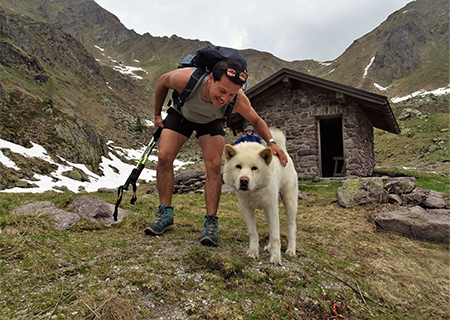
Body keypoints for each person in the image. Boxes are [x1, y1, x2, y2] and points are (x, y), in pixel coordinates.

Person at [145, 58, 288, 246]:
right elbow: (163, 81)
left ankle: (211, 222)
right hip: (181, 114)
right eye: (222, 91)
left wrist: (271, 142)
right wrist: (157, 115)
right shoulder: (186, 79)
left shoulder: (238, 99)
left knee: (213, 165)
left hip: (212, 121)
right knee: (164, 156)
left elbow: (256, 120)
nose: (224, 99)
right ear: (211, 78)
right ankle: (165, 213)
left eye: (231, 94)